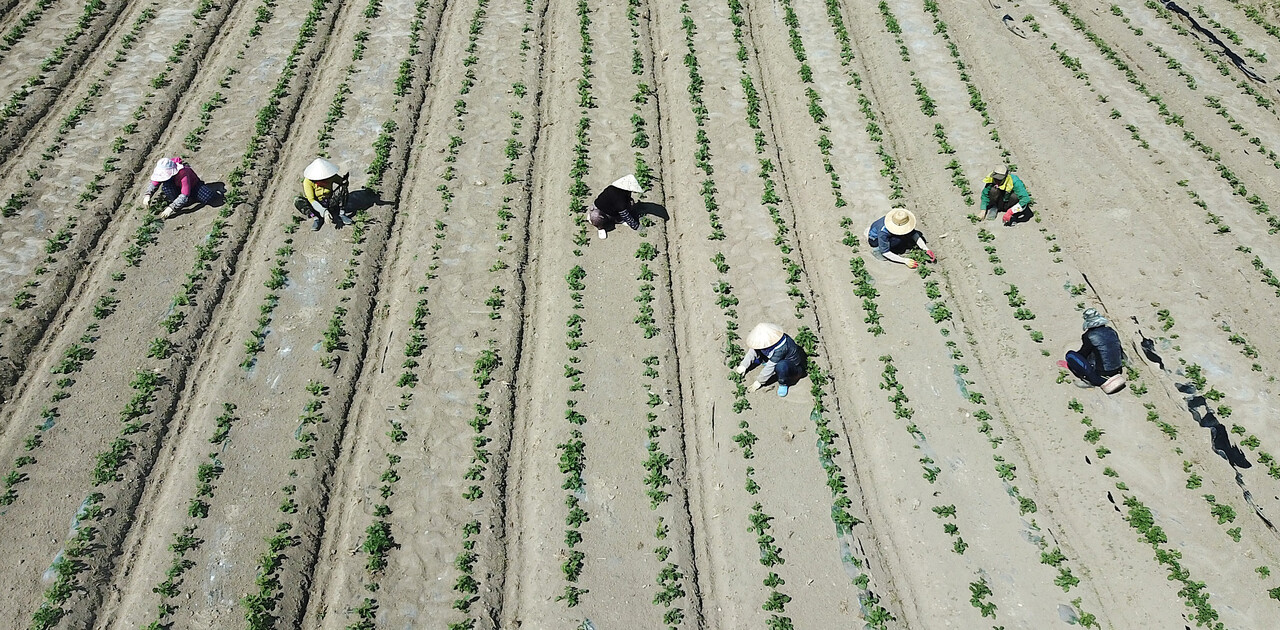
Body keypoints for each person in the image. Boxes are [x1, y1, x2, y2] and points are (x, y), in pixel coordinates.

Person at [1060, 308, 1126, 392]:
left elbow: (1083, 353)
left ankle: (1089, 380)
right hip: (1118, 370)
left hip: (1100, 377)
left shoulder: (1089, 336)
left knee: (1070, 355)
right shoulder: (1111, 331)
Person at [734, 322, 805, 397]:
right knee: (759, 348)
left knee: (781, 366)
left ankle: (783, 383)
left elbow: (771, 366)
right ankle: (763, 360)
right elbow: (753, 349)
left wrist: (759, 381)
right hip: (774, 357)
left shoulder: (781, 348)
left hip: (792, 367)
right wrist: (743, 365)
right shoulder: (770, 340)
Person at [142, 157, 221, 219]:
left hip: (194, 186)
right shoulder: (164, 170)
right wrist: (148, 195)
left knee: (208, 196)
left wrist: (171, 208)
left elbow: (185, 194)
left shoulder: (183, 174)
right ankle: (181, 201)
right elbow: (154, 183)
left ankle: (188, 199)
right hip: (178, 188)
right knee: (166, 187)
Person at [295, 158, 352, 231]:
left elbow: (341, 182)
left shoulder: (330, 176)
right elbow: (311, 200)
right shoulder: (308, 182)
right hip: (316, 204)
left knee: (342, 189)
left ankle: (341, 213)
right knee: (298, 201)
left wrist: (345, 182)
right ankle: (316, 218)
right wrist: (323, 211)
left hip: (329, 201)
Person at [867, 208, 935, 268]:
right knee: (897, 240)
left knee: (906, 235)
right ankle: (879, 249)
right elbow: (885, 252)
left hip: (880, 233)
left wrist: (926, 249)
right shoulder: (883, 232)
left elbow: (913, 234)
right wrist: (904, 261)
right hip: (874, 239)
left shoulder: (898, 220)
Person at [589, 174, 643, 239]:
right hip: (601, 212)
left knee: (631, 202)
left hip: (613, 210)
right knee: (595, 217)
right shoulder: (617, 196)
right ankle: (600, 227)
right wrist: (636, 226)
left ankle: (617, 219)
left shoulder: (623, 192)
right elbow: (624, 213)